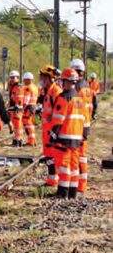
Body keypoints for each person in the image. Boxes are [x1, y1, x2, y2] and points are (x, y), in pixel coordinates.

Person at [49, 68, 86, 199]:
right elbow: (84, 121)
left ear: (65, 81)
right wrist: (83, 136)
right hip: (77, 139)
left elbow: (58, 120)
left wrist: (53, 136)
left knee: (63, 166)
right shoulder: (80, 99)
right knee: (74, 167)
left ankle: (62, 192)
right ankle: (72, 193)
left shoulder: (63, 98)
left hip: (64, 138)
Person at [70, 59, 94, 194]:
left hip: (78, 124)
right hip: (86, 123)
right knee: (82, 156)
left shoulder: (77, 87)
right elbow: (93, 105)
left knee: (76, 155)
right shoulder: (88, 86)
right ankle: (82, 184)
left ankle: (77, 183)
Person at [39, 65, 63, 187]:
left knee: (53, 155)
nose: (40, 79)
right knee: (48, 155)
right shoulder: (48, 92)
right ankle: (52, 179)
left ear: (48, 78)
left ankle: (54, 180)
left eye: (42, 77)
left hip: (52, 129)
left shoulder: (56, 92)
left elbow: (60, 111)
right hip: (47, 129)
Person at [7, 71, 24, 147]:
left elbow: (19, 98)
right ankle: (17, 139)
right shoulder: (12, 86)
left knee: (17, 125)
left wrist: (17, 106)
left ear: (18, 77)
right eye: (11, 77)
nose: (12, 79)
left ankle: (18, 140)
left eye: (14, 77)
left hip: (17, 109)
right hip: (13, 108)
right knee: (15, 125)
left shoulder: (18, 87)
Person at [22, 72, 39, 146]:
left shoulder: (27, 88)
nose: (24, 81)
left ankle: (31, 141)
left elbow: (26, 99)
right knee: (31, 123)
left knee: (28, 124)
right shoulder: (35, 87)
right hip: (33, 106)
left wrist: (23, 108)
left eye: (25, 80)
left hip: (28, 107)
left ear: (28, 80)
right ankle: (33, 140)